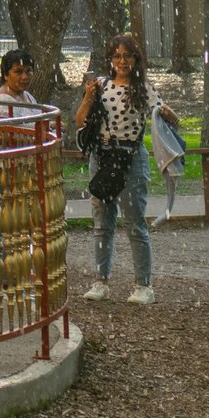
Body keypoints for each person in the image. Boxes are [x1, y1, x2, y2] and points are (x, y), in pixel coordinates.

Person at [74, 33, 176, 304]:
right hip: (102, 157)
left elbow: (170, 118)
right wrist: (88, 96)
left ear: (135, 59)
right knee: (101, 224)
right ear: (109, 59)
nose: (122, 61)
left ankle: (143, 286)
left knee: (134, 224)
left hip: (130, 157)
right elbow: (80, 120)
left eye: (127, 56)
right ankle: (101, 281)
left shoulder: (145, 89)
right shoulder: (101, 86)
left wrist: (166, 113)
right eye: (117, 56)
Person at [0, 48, 39, 125]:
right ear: (5, 75)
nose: (25, 77)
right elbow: (4, 135)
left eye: (28, 71)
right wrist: (43, 128)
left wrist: (51, 125)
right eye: (18, 72)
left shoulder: (28, 96)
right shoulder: (1, 102)